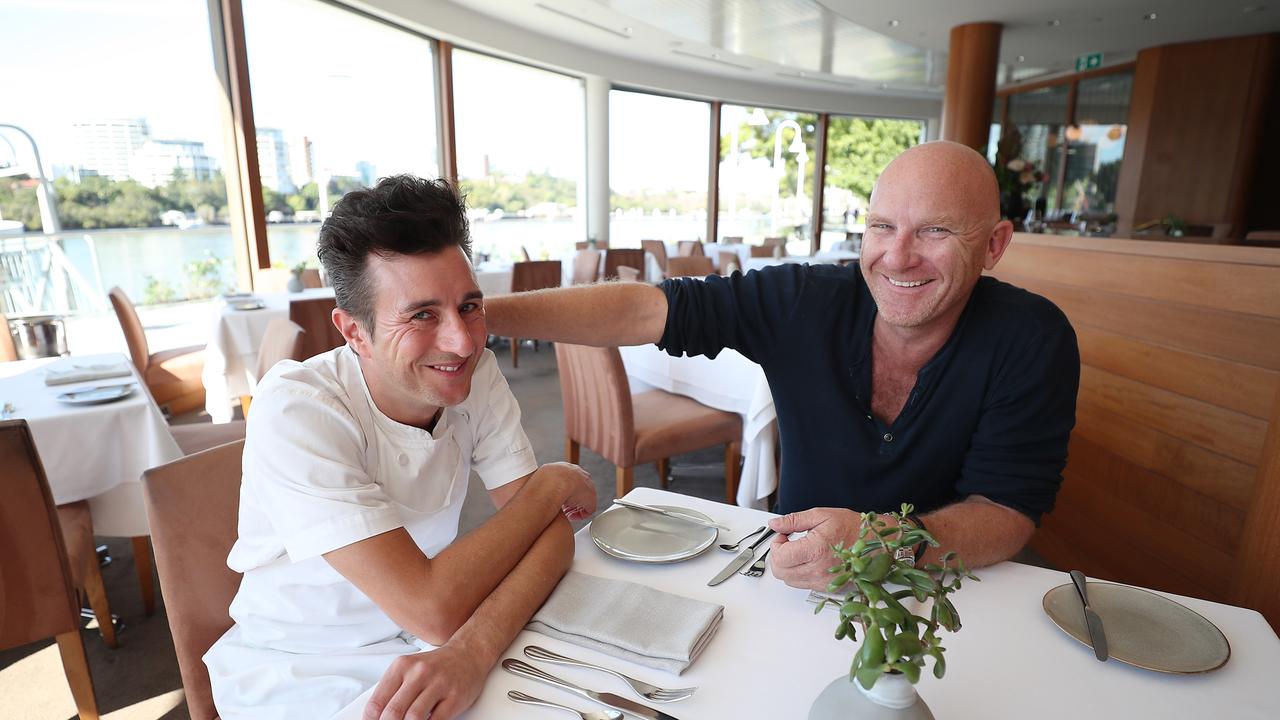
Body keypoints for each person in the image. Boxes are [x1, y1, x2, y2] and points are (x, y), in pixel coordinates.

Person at [484, 141, 1079, 591]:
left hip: (939, 590)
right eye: (881, 226)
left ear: (994, 245)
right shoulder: (805, 300)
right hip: (792, 577)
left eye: (935, 231)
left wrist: (886, 545)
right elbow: (650, 309)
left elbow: (1006, 510)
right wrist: (475, 316)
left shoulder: (1032, 339)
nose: (898, 256)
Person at [204, 175, 595, 720]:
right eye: (422, 315)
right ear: (354, 332)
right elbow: (430, 605)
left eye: (470, 306)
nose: (461, 341)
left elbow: (552, 538)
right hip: (301, 667)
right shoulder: (300, 408)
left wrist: (471, 651)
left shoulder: (473, 373)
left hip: (435, 643)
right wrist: (551, 483)